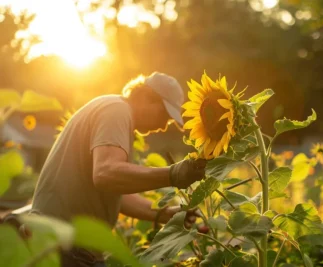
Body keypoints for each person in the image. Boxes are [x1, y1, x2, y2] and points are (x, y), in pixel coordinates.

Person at [31, 72, 206, 267]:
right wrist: (173, 174)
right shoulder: (117, 110)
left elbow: (113, 192)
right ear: (145, 96)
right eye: (164, 115)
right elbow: (105, 173)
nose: (164, 126)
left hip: (63, 244)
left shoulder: (112, 110)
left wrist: (164, 214)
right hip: (64, 245)